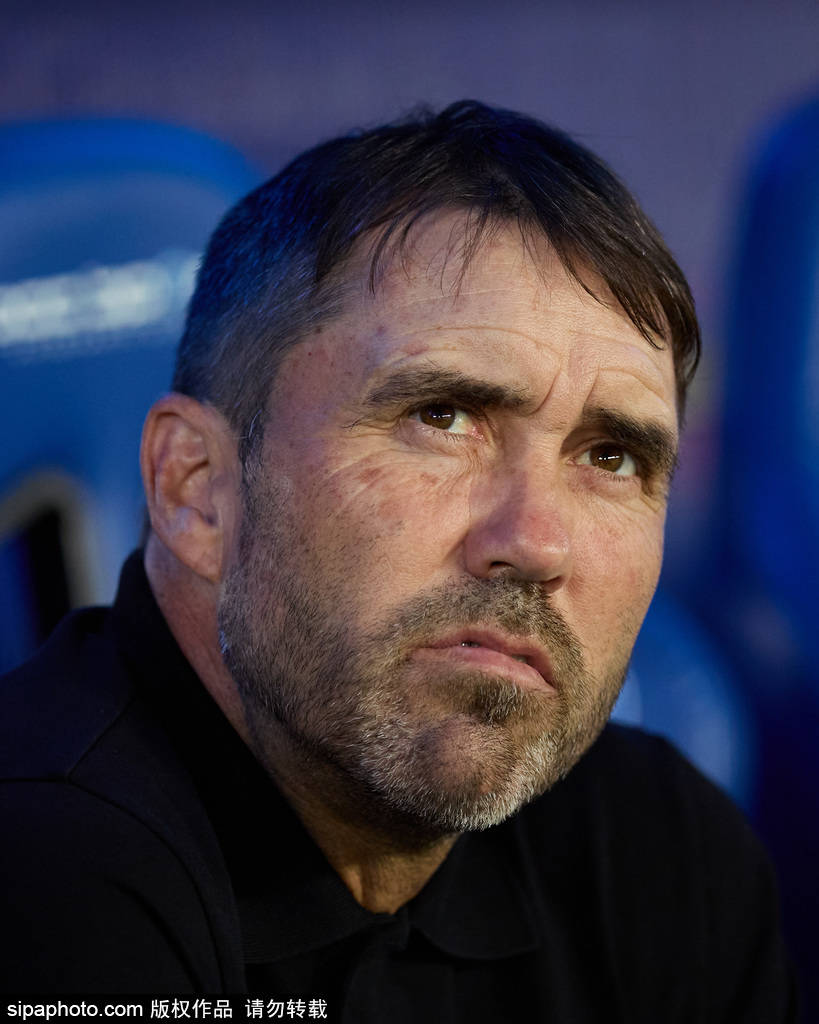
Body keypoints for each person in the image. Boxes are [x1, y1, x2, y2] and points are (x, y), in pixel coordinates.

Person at [0, 101, 798, 1019]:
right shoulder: (42, 873)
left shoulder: (661, 849)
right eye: (441, 417)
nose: (536, 542)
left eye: (611, 458)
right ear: (197, 488)